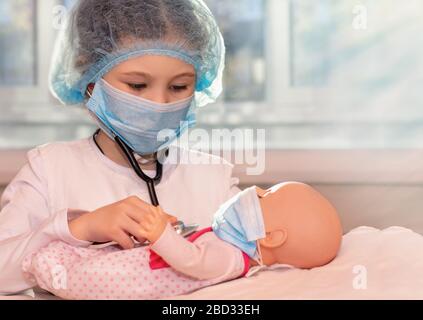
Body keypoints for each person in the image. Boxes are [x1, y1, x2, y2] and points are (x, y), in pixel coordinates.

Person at [0, 0, 234, 295]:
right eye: (137, 85)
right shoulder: (49, 170)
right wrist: (77, 229)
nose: (159, 104)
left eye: (178, 87)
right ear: (90, 80)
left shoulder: (214, 179)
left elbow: (266, 255)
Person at [22, 182, 343, 300]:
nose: (256, 191)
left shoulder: (234, 259)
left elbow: (195, 262)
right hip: (143, 262)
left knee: (86, 276)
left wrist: (162, 235)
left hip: (134, 282)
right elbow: (194, 247)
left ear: (271, 237)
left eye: (266, 194)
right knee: (100, 254)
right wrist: (174, 231)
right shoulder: (229, 242)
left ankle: (48, 271)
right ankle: (53, 260)